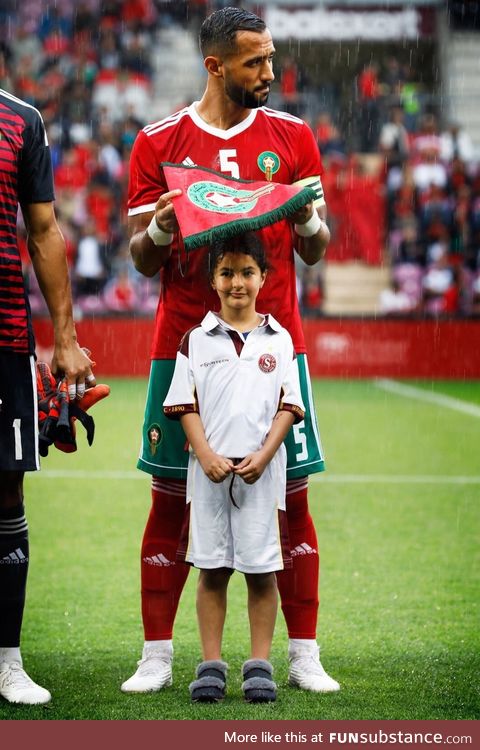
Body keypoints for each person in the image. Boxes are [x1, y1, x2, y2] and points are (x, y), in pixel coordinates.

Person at [122, 6, 340, 695]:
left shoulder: (293, 137)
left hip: (276, 347)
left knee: (291, 503)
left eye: (271, 59)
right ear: (216, 67)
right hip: (184, 347)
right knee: (169, 502)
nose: (270, 73)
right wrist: (159, 228)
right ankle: (157, 655)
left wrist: (306, 216)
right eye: (256, 63)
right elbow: (141, 261)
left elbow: (315, 250)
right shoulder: (159, 141)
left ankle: (302, 652)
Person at [164, 234, 305, 703]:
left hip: (263, 473)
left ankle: (259, 664)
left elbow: (289, 404)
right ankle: (210, 665)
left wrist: (264, 456)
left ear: (264, 278)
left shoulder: (280, 339)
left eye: (247, 272)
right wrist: (204, 455)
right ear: (213, 280)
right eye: (226, 273)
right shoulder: (196, 339)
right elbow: (184, 404)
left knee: (262, 570)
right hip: (208, 473)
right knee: (212, 569)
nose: (237, 282)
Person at [0, 88, 93, 704]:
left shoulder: (22, 118)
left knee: (5, 488)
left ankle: (7, 661)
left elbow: (43, 229)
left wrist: (65, 339)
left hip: (4, 332)